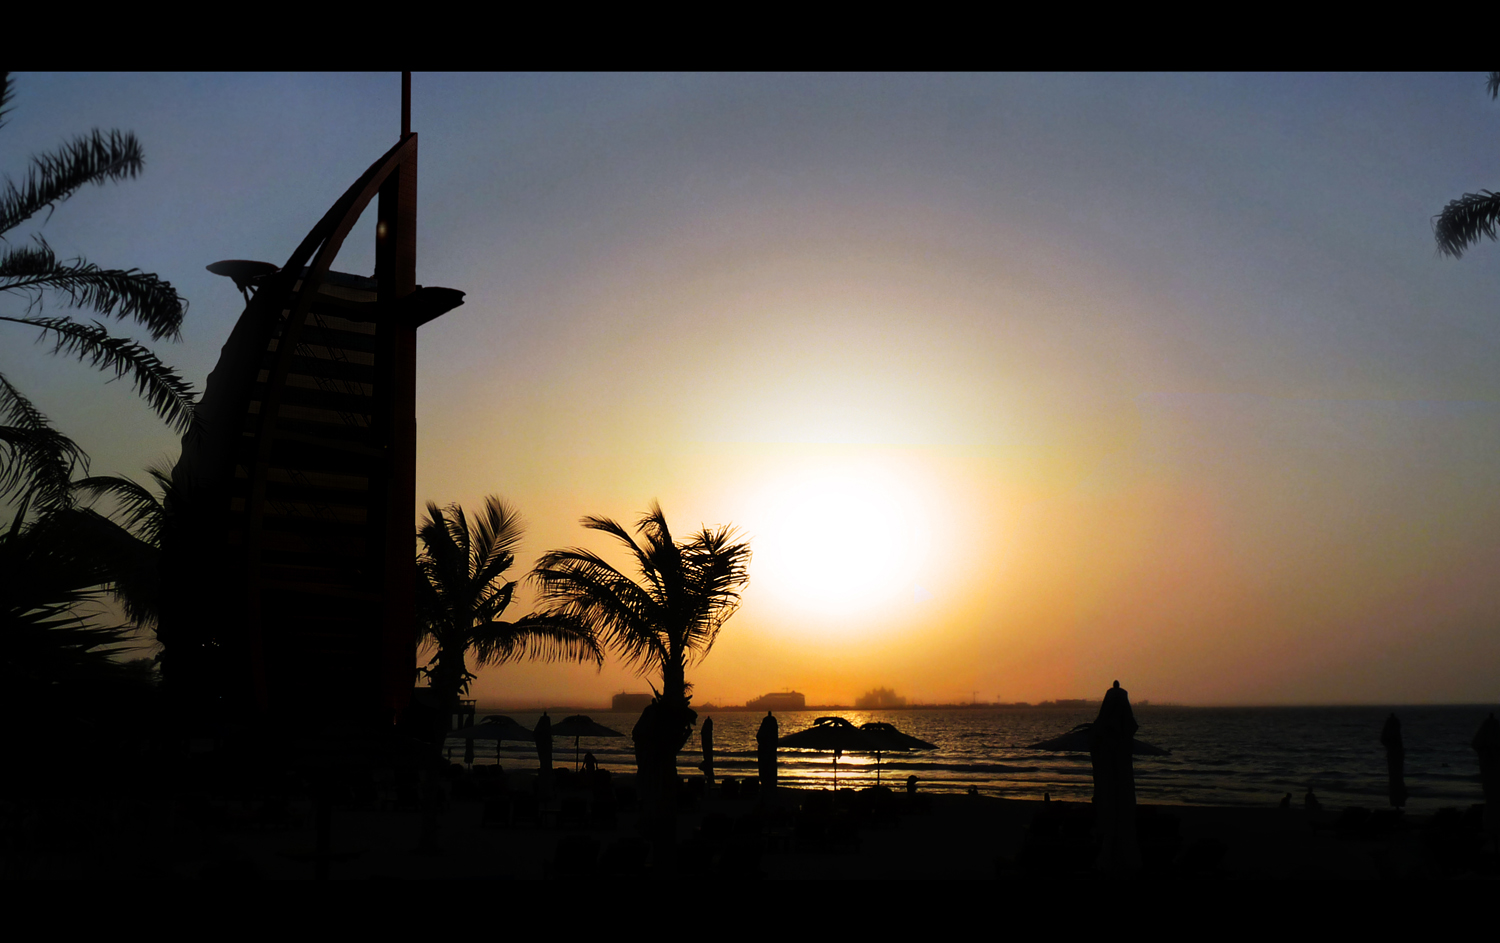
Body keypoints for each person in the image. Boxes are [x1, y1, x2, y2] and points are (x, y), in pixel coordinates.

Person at [756, 711, 779, 790]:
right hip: (770, 754)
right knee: (770, 772)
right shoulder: (773, 727)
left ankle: (767, 786)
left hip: (766, 754)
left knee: (766, 772)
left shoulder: (767, 726)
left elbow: (758, 736)